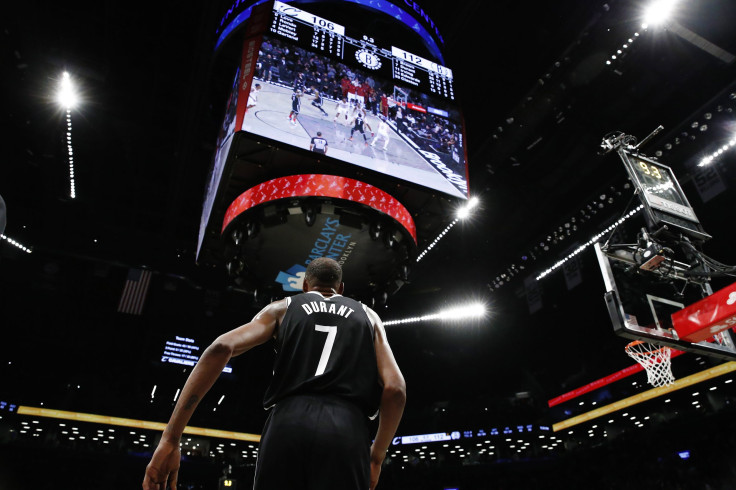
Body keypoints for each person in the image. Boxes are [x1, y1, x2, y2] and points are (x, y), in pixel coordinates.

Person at [143, 257, 405, 490]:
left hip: (287, 422)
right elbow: (395, 390)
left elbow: (220, 347)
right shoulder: (369, 316)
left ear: (304, 286)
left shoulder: (284, 306)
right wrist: (376, 455)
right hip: (347, 428)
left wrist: (170, 438)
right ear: (342, 289)